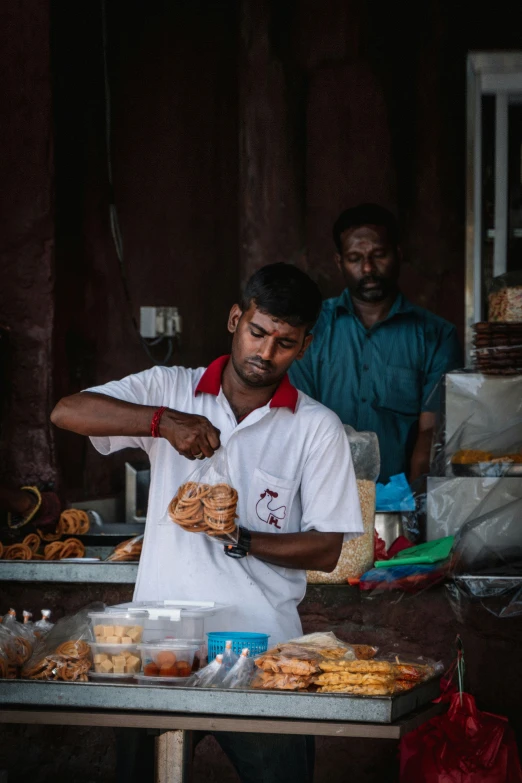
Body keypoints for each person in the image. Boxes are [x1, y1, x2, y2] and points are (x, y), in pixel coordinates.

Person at [51, 262, 363, 783]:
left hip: (263, 656)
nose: (264, 353)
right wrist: (160, 422)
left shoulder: (316, 428)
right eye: (257, 332)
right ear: (235, 319)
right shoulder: (169, 388)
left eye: (284, 343)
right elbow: (67, 411)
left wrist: (242, 538)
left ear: (304, 347)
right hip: (158, 647)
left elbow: (326, 548)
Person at [289, 203, 463, 484]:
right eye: (355, 258)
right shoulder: (312, 329)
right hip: (320, 493)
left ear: (398, 254)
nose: (368, 268)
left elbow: (430, 432)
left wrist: (416, 506)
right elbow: (297, 420)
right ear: (339, 262)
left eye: (378, 255)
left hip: (399, 500)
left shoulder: (436, 336)